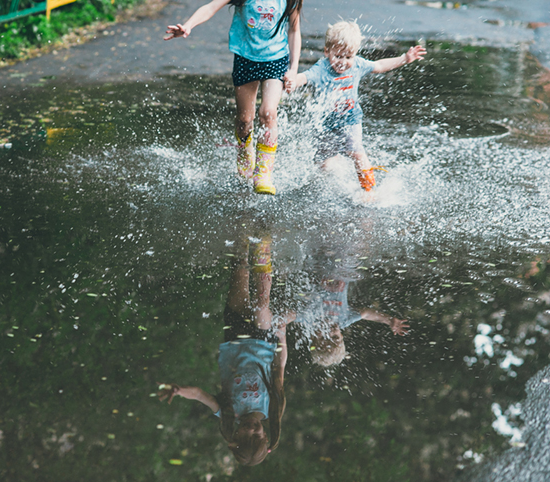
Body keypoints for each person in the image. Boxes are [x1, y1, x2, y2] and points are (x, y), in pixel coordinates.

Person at [158, 235, 294, 465]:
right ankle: (263, 245)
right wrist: (282, 337)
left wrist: (179, 390)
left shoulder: (226, 412)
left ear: (235, 436)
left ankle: (241, 231)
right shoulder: (272, 406)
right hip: (264, 340)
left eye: (245, 435)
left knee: (239, 272)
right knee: (262, 303)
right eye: (257, 435)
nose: (251, 430)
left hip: (234, 337)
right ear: (266, 436)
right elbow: (280, 366)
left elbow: (200, 395)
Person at [164, 0, 302, 195]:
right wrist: (188, 25)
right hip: (245, 58)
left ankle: (263, 173)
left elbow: (294, 30)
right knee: (245, 120)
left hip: (276, 59)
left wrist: (294, 68)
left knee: (268, 113)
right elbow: (210, 7)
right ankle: (244, 150)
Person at [285, 20, 426, 191]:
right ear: (327, 51)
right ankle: (330, 185)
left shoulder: (357, 64)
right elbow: (305, 77)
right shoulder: (321, 69)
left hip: (351, 120)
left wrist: (404, 58)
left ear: (355, 54)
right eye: (338, 56)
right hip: (324, 125)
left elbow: (379, 65)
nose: (343, 62)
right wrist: (293, 82)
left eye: (348, 57)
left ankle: (369, 189)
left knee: (357, 153)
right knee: (324, 165)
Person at [299, 269, 409, 366]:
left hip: (316, 268)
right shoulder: (344, 320)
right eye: (335, 337)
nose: (330, 332)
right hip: (342, 270)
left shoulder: (308, 319)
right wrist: (388, 320)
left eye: (323, 338)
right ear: (341, 336)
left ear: (312, 338)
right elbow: (366, 314)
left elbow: (288, 316)